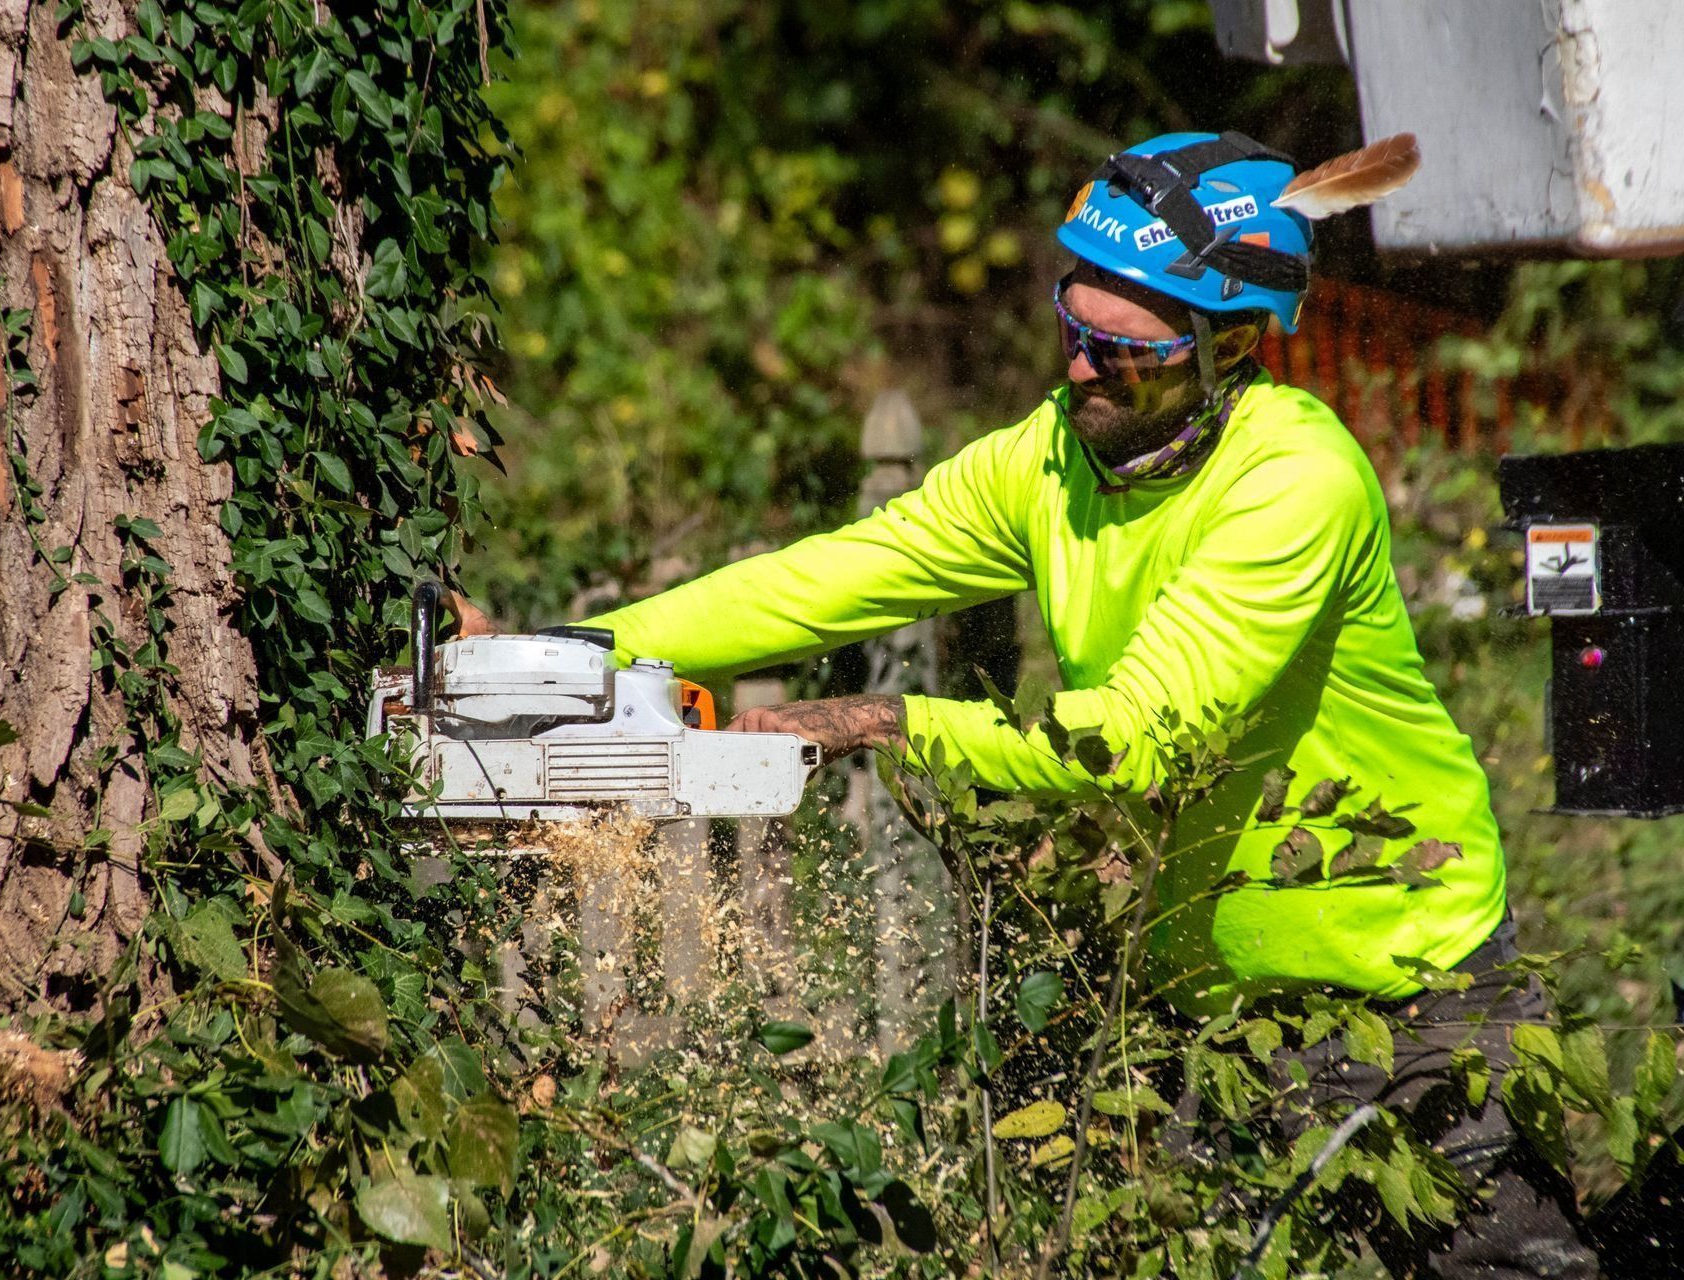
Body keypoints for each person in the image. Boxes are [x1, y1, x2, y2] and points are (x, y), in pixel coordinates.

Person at [454, 132, 1597, 1278]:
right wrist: (570, 651)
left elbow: (1135, 742)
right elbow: (829, 578)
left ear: (1232, 346)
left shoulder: (1295, 483)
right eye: (1073, 332)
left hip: (1406, 994)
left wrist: (887, 722)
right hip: (1205, 1006)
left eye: (1123, 353)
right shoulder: (1051, 461)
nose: (1083, 373)